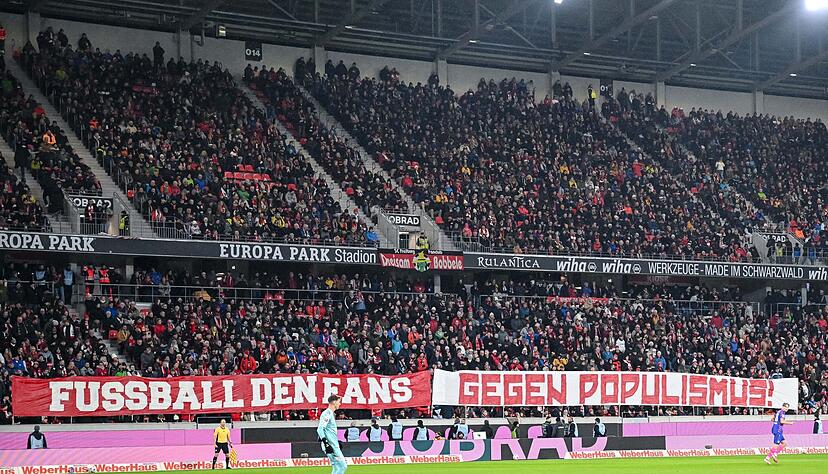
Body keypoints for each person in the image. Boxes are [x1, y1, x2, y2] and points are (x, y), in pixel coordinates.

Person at [317, 394, 347, 474]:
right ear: (334, 402)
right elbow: (320, 429)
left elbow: (327, 431)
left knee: (336, 467)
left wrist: (336, 441)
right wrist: (326, 444)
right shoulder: (327, 413)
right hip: (331, 446)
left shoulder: (330, 414)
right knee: (342, 466)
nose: (339, 404)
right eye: (338, 402)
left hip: (333, 444)